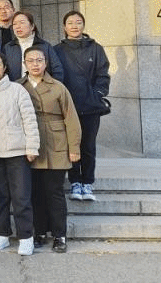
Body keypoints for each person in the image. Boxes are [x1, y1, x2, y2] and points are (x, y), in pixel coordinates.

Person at [20, 45, 82, 254]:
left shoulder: (58, 87)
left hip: (56, 143)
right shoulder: (18, 86)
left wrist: (74, 148)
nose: (35, 64)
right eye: (31, 61)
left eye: (39, 60)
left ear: (46, 63)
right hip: (30, 144)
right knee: (35, 192)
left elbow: (71, 119)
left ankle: (59, 235)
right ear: (25, 64)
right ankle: (39, 232)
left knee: (54, 192)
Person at [0, 50, 39, 256]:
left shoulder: (17, 90)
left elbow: (29, 119)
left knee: (21, 197)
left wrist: (32, 147)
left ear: (5, 67)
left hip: (17, 152)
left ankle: (26, 237)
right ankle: (2, 234)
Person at [55, 11, 111, 202]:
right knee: (71, 145)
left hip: (90, 106)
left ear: (83, 25)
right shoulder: (57, 50)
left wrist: (97, 94)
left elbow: (103, 75)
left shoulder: (96, 49)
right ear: (64, 27)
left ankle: (87, 182)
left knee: (88, 145)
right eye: (70, 22)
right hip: (67, 107)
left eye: (78, 22)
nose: (74, 26)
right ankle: (75, 182)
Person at [4, 10, 65, 81]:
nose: (18, 26)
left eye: (22, 22)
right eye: (14, 24)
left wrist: (51, 86)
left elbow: (57, 70)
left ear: (32, 26)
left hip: (41, 87)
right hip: (16, 86)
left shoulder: (45, 46)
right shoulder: (8, 47)